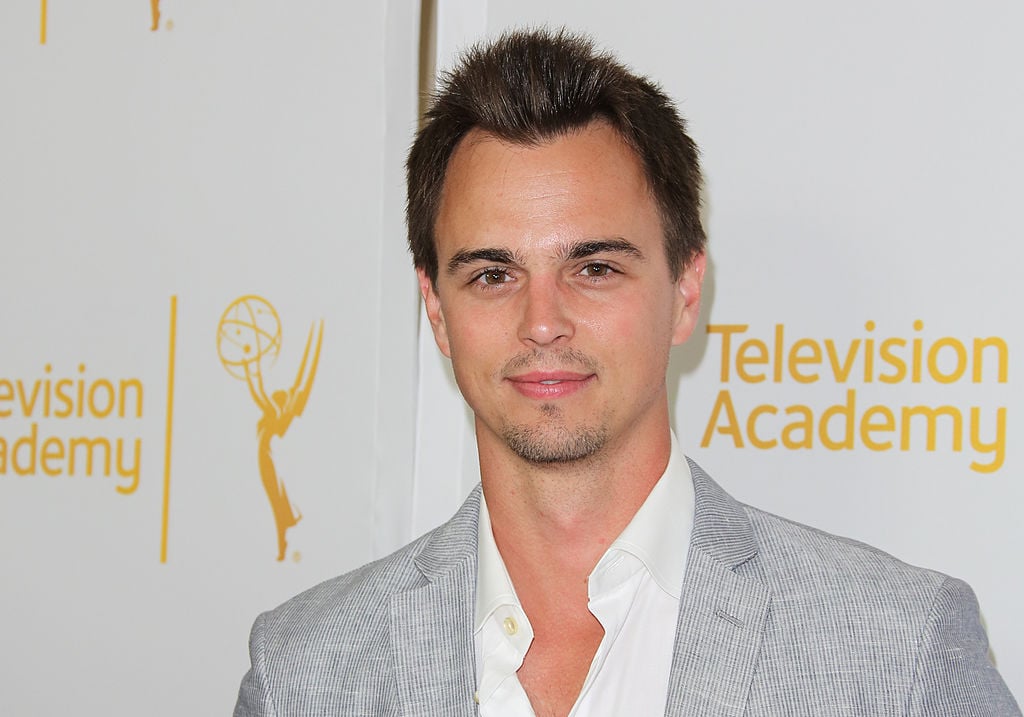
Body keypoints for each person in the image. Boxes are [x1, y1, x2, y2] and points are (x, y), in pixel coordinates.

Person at [233, 29, 1020, 716]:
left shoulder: (898, 652)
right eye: (492, 275)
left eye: (595, 267)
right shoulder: (305, 667)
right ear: (437, 312)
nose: (542, 321)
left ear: (685, 291)